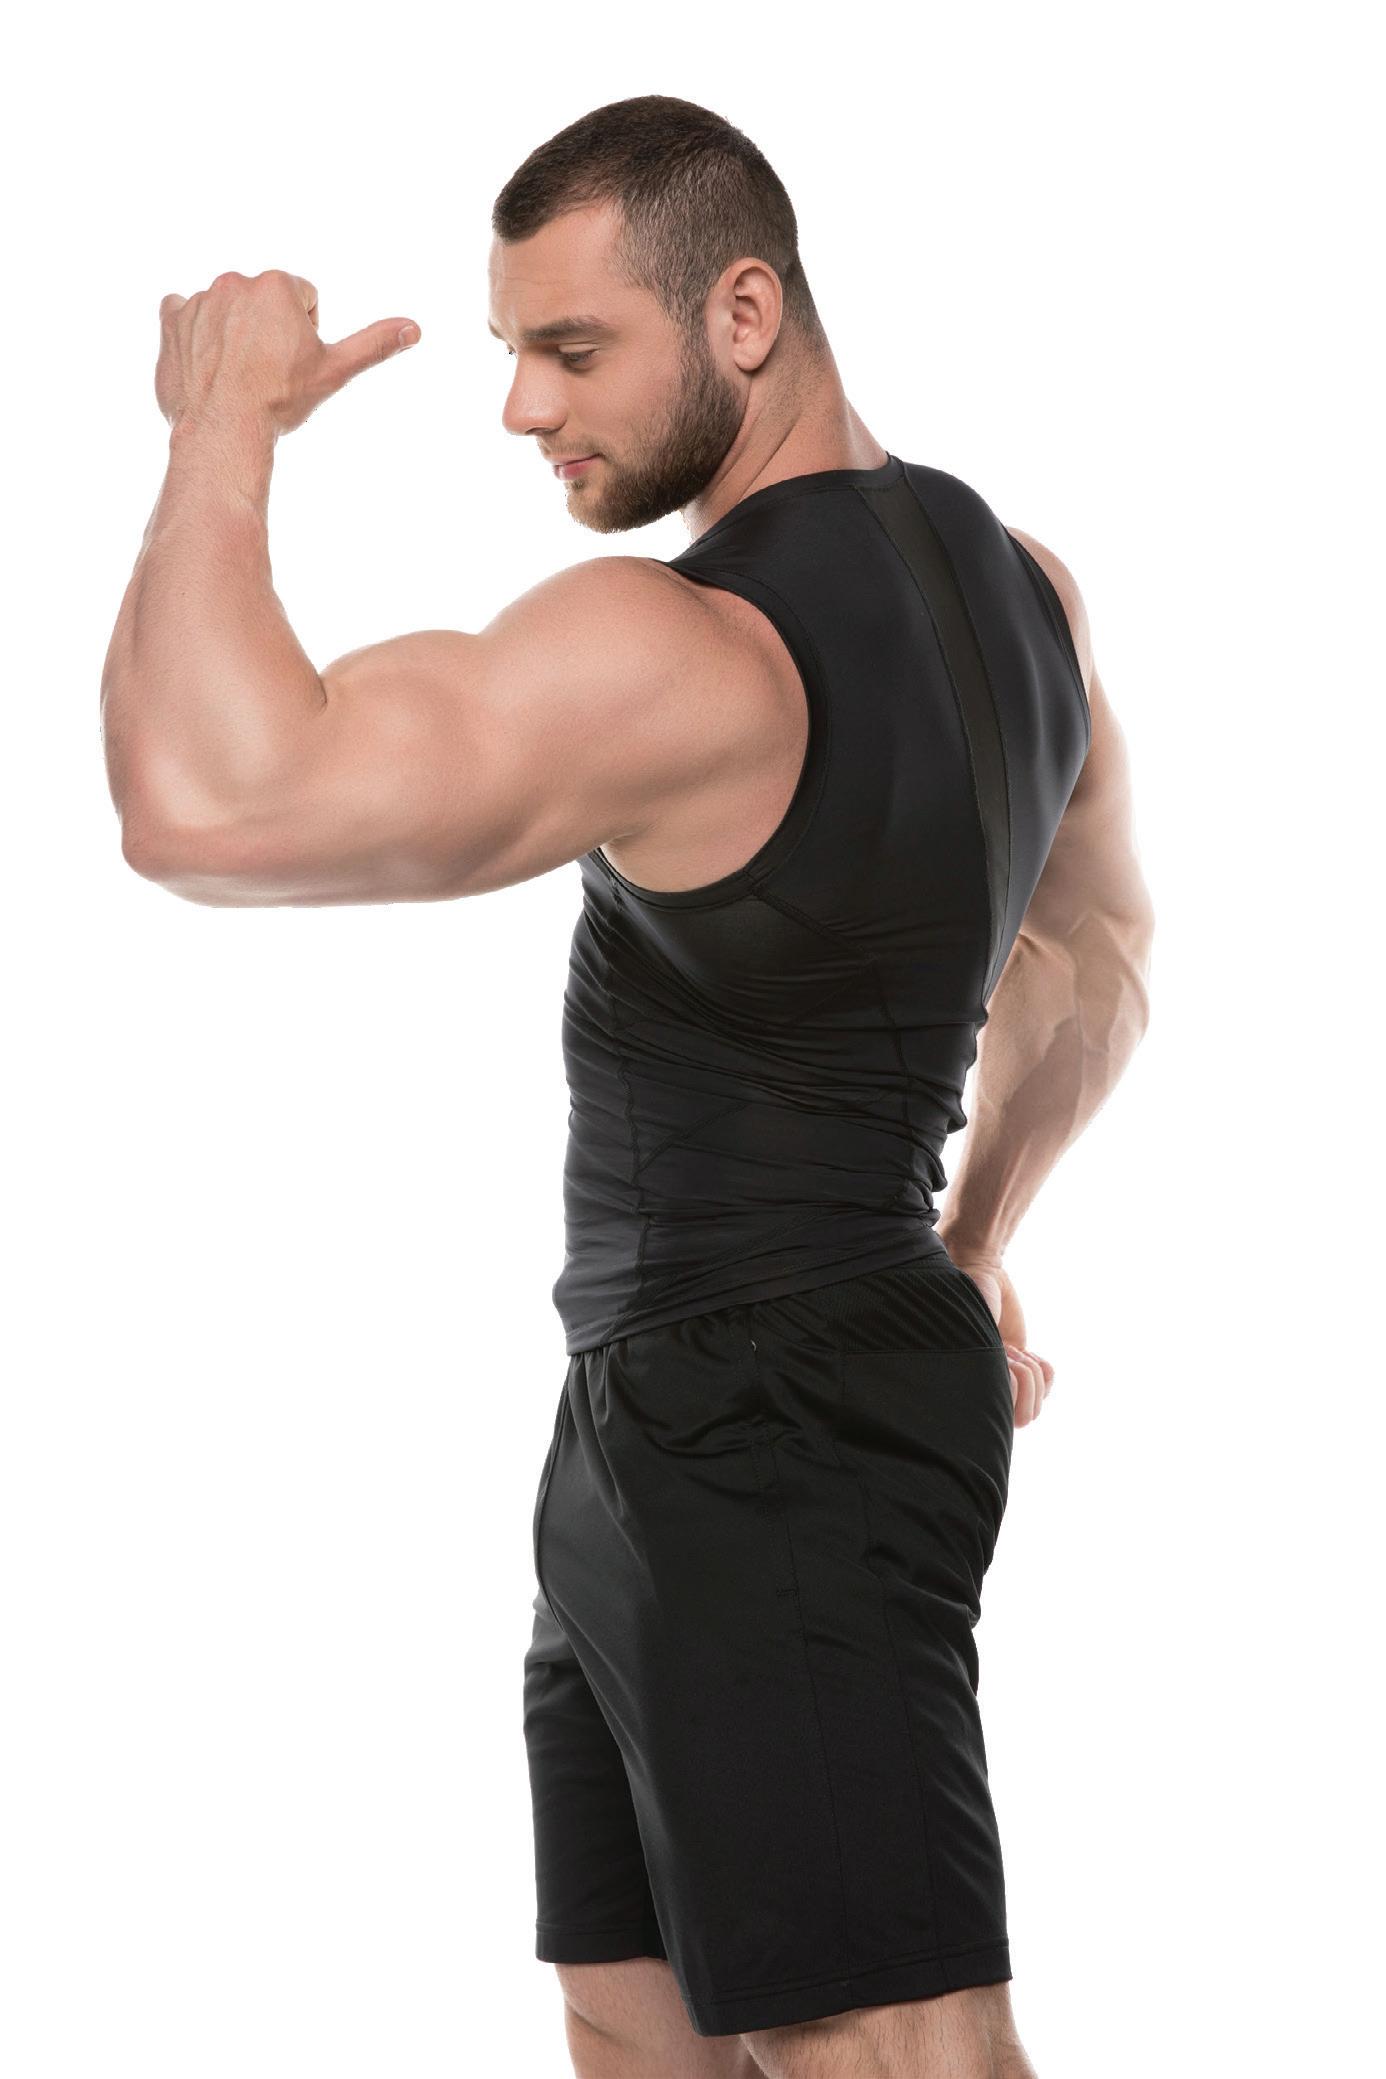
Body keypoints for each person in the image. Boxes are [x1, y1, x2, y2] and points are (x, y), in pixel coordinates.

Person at [101, 91, 1154, 2079]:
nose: (522, 406)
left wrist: (220, 426)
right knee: (635, 2011)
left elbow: (208, 804)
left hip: (771, 1417)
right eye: (514, 347)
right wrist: (967, 1235)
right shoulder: (1022, 591)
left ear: (743, 312)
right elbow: (1096, 958)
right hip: (677, 1409)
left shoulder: (686, 650)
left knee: (892, 2043)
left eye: (572, 349)